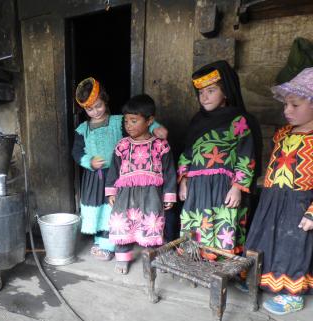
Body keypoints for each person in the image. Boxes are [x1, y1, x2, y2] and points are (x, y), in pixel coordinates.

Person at [72, 77, 167, 261]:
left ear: (105, 100)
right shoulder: (82, 129)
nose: (95, 111)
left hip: (118, 174)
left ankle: (115, 242)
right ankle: (101, 241)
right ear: (84, 109)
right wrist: (88, 161)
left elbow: (139, 120)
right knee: (98, 209)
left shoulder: (119, 121)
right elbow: (76, 152)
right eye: (89, 109)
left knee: (115, 208)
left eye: (98, 105)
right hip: (94, 177)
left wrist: (156, 128)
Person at [245, 68, 313, 315]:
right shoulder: (283, 133)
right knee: (264, 238)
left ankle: (292, 294)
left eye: (295, 105)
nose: (287, 110)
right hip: (273, 197)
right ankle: (260, 279)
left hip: (300, 203)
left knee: (293, 246)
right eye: (286, 104)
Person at [178, 61, 260, 258]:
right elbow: (187, 153)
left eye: (211, 90)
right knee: (197, 224)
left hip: (223, 187)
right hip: (197, 187)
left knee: (222, 225)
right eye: (201, 92)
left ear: (226, 92)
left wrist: (237, 187)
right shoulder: (197, 121)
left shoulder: (239, 120)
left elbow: (246, 154)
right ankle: (195, 262)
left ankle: (221, 266)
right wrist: (183, 180)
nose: (204, 97)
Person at [105, 94, 176, 274]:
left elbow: (169, 171)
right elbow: (113, 170)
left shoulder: (160, 145)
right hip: (125, 195)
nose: (128, 125)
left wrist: (169, 194)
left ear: (149, 120)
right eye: (126, 121)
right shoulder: (121, 145)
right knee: (124, 223)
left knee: (151, 223)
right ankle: (123, 258)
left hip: (152, 194)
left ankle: (153, 258)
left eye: (134, 121)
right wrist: (111, 192)